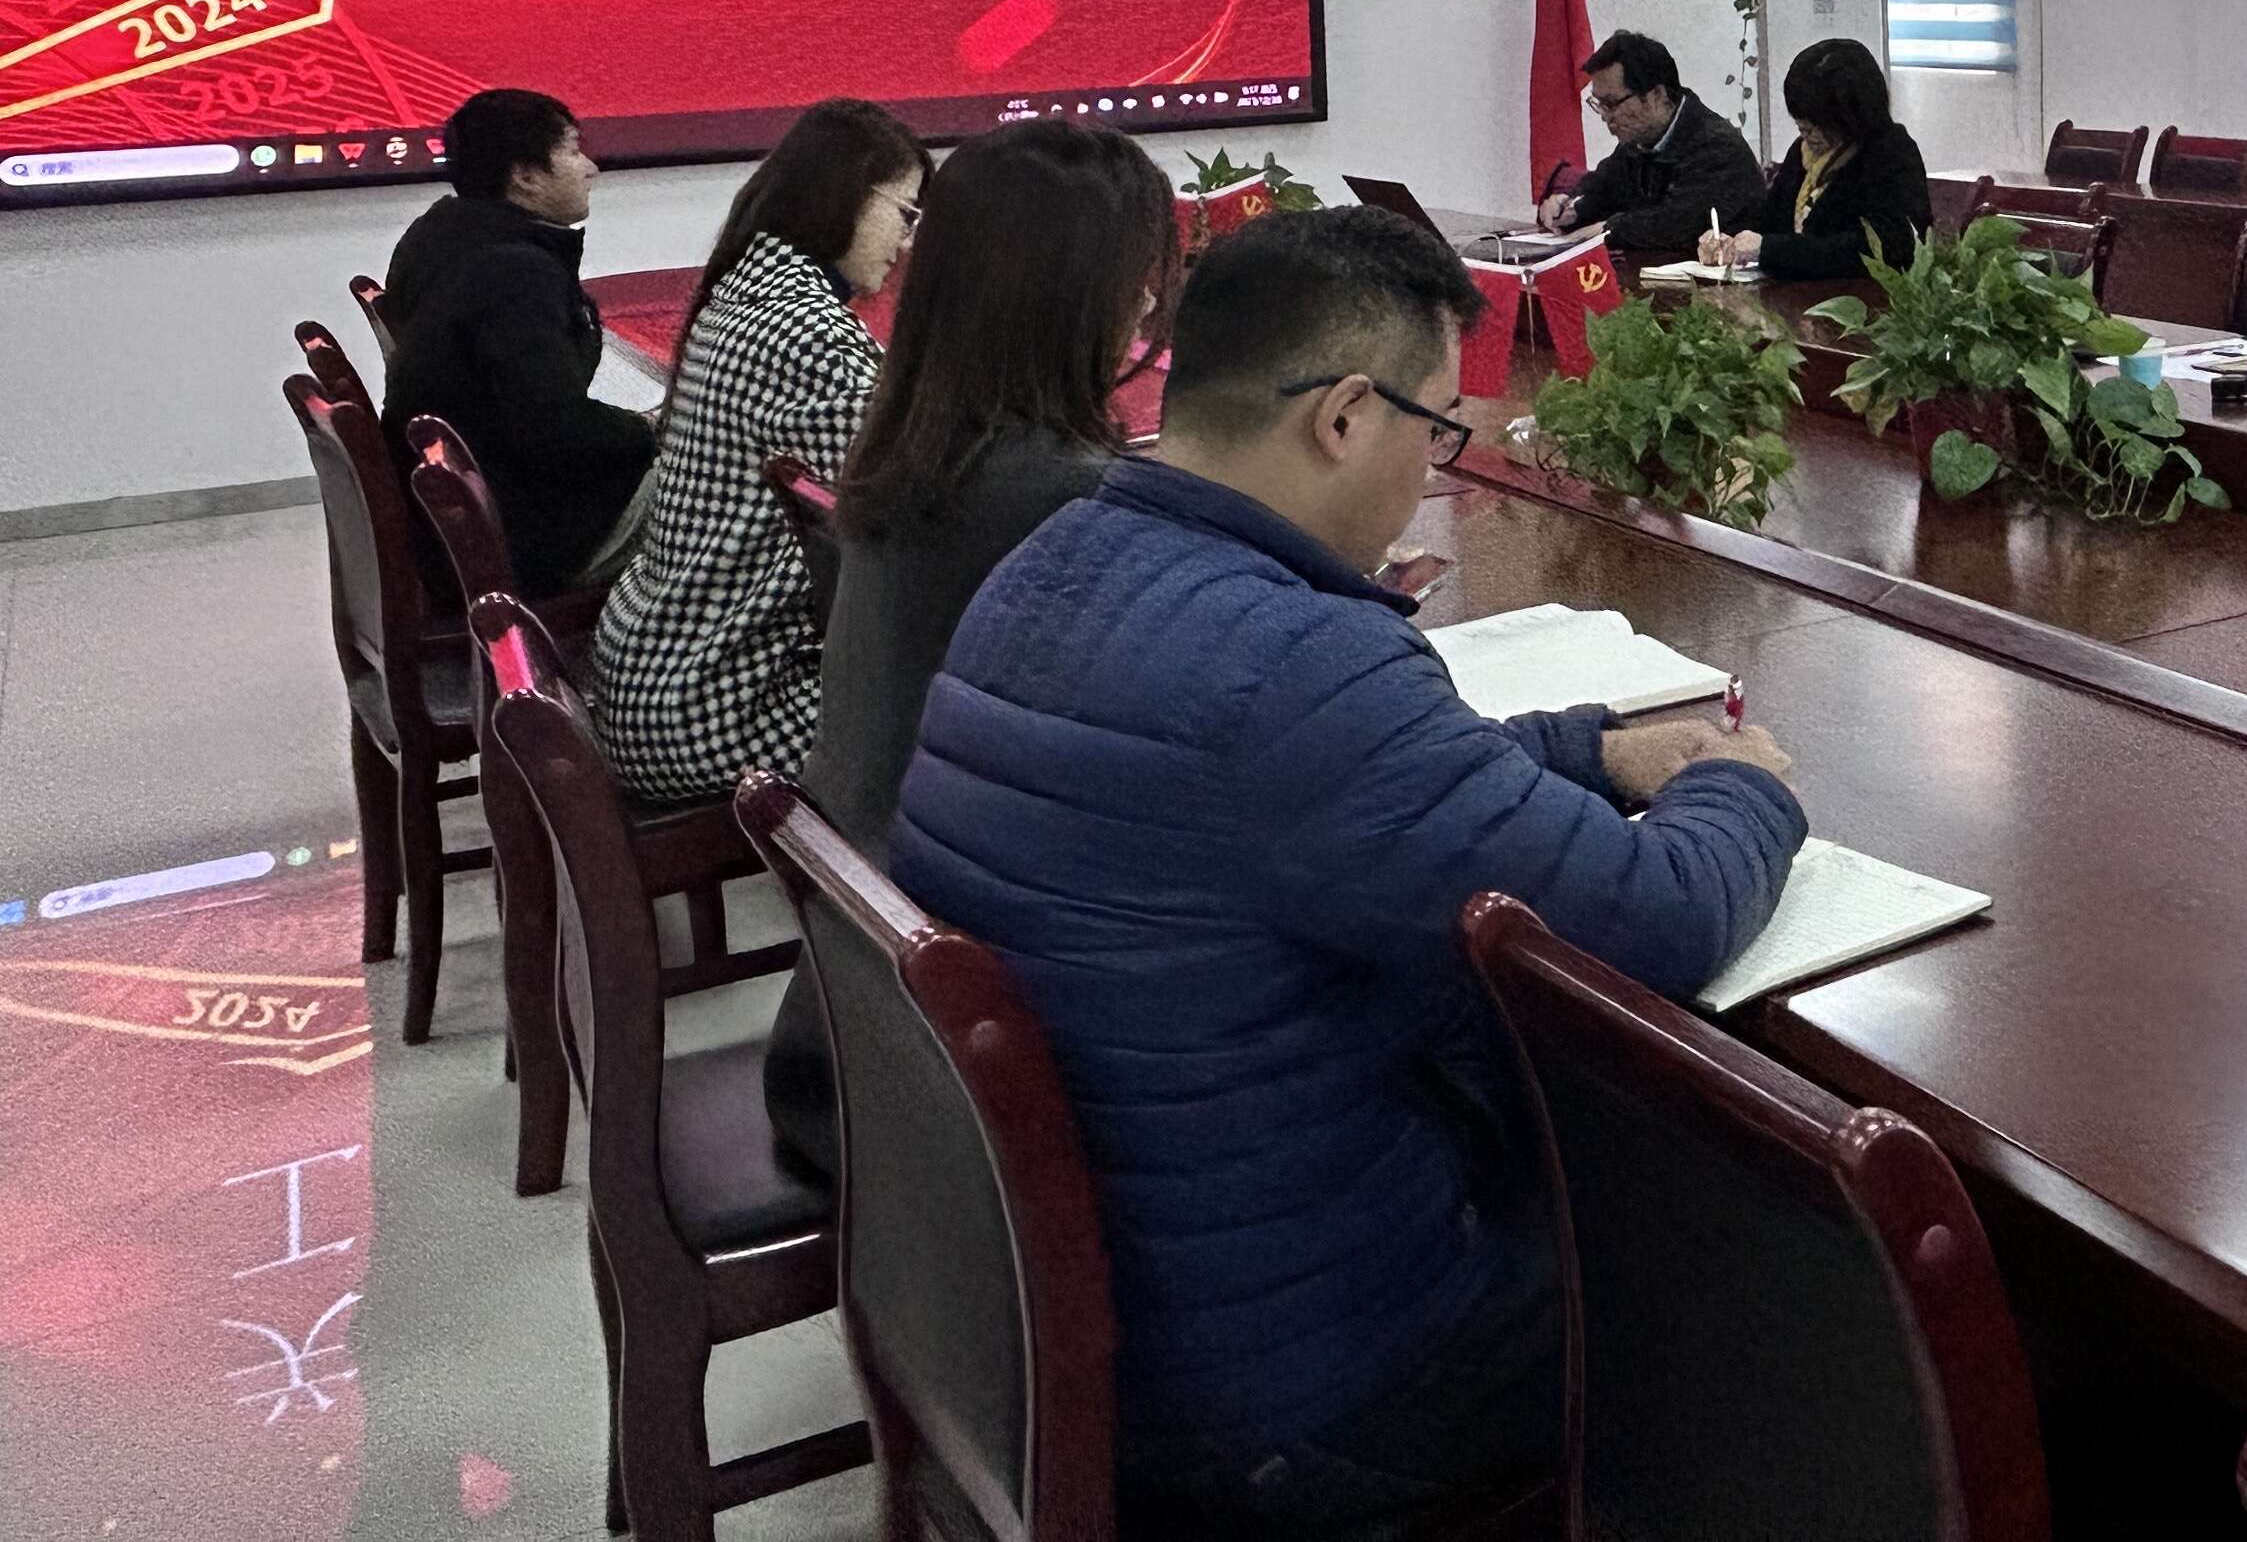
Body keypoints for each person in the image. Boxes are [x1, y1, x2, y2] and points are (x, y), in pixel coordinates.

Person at [889, 207, 1804, 1535]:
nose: (1434, 472)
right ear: (1345, 417)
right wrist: (1745, 786)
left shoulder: (1053, 562)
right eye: (1436, 433)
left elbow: (1366, 789)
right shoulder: (1291, 663)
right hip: (1301, 1397)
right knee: (1783, 1254)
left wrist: (1587, 747)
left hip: (1088, 1312)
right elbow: (1657, 918)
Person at [762, 115, 1174, 1177]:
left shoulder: (923, 443)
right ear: (1064, 292)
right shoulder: (1061, 499)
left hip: (859, 1007)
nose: (1145, 305)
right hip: (949, 1068)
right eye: (1134, 276)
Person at [585, 101, 927, 807]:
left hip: (655, 671)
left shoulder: (745, 290)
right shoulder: (808, 334)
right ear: (848, 196)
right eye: (905, 214)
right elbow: (903, 517)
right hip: (717, 707)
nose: (906, 242)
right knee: (978, 726)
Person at [378, 88, 655, 593]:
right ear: (525, 176)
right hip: (522, 535)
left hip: (459, 515)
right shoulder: (513, 273)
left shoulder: (440, 234)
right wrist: (652, 430)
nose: (590, 168)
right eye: (573, 151)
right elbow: (556, 429)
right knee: (737, 474)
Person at [1694, 35, 1932, 283]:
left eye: (1816, 121)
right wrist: (1729, 240)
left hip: (1860, 298)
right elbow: (1769, 223)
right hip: (1792, 296)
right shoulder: (1802, 153)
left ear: (1852, 114)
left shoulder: (1891, 155)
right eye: (1800, 121)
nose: (1804, 130)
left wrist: (1769, 248)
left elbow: (1883, 248)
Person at [1536, 29, 1767, 263]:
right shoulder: (1639, 141)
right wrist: (1569, 206)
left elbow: (1676, 224)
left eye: (1611, 103)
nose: (1605, 116)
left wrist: (1608, 230)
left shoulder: (1716, 145)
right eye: (1598, 104)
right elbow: (1602, 188)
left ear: (1657, 95)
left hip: (1723, 280)